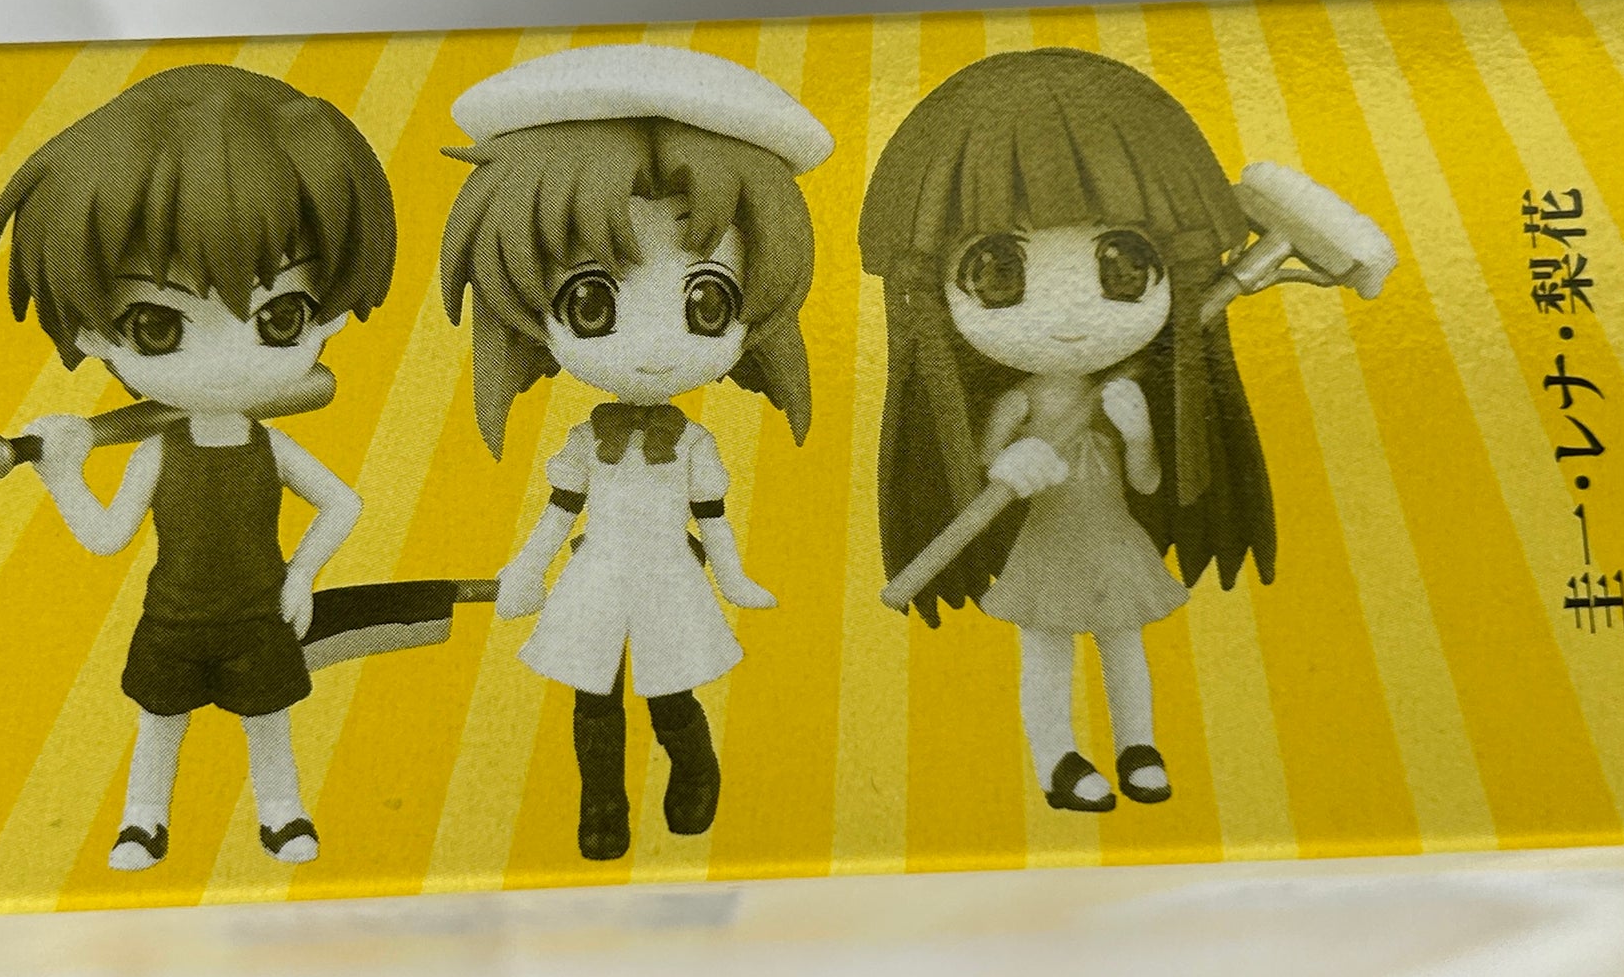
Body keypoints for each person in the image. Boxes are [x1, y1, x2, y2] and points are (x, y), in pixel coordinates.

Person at [0, 62, 395, 868]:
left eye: (281, 316)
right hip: (173, 621)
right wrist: (61, 472)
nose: (227, 358)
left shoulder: (267, 446)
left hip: (259, 615)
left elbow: (342, 504)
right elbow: (107, 537)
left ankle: (282, 812)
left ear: (327, 315)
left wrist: (301, 575)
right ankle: (144, 818)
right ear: (96, 331)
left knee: (268, 722)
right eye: (158, 324)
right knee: (160, 722)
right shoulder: (155, 450)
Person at [440, 43, 832, 858]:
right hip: (595, 574)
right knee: (593, 697)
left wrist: (733, 577)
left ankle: (695, 770)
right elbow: (559, 512)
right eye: (591, 302)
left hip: (668, 576)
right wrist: (525, 570)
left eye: (707, 301)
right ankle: (602, 804)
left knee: (670, 690)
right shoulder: (587, 441)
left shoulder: (692, 443)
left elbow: (713, 518)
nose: (652, 347)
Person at [859, 47, 1274, 812]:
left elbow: (1146, 480)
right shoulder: (1016, 402)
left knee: (1124, 645)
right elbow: (986, 473)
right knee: (1047, 653)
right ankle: (1058, 758)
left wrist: (1137, 434)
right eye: (1000, 272)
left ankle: (1138, 746)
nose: (1067, 316)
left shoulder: (1122, 394)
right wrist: (1007, 466)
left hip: (1113, 536)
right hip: (1046, 545)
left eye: (1122, 264)